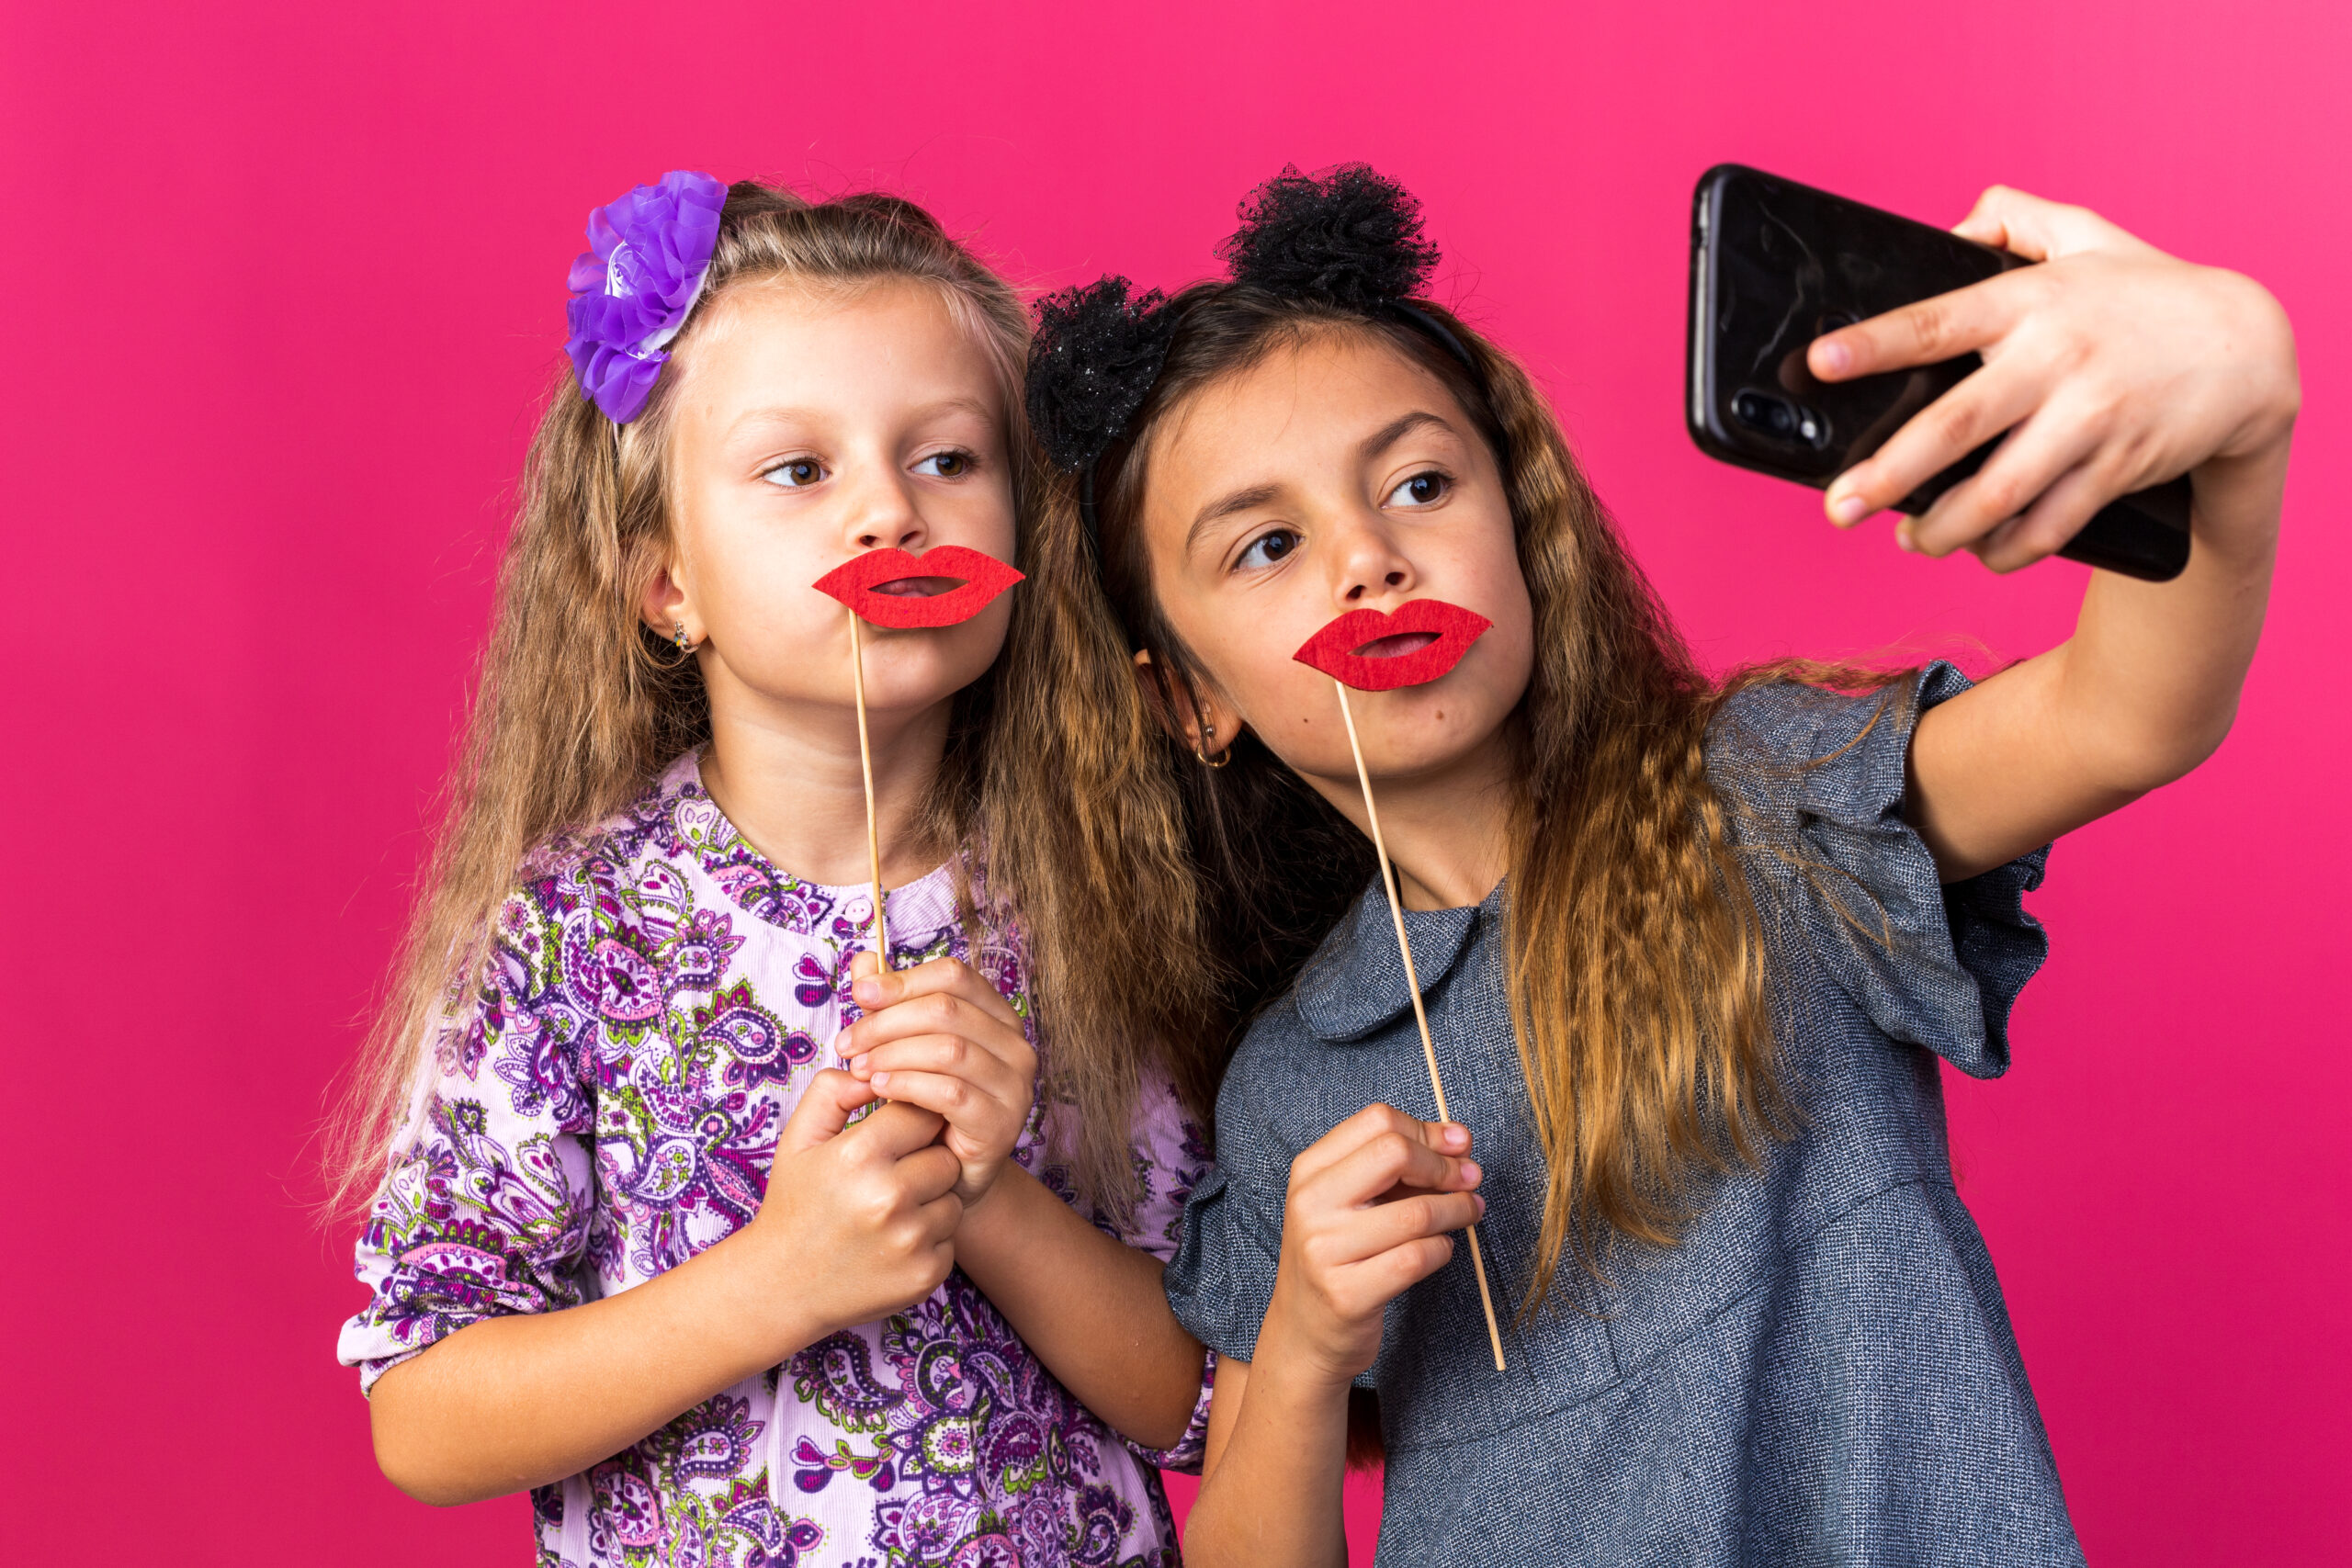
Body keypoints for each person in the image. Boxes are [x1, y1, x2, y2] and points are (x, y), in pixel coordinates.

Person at [1012, 165, 2299, 1565]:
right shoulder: (1293, 1089)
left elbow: (2128, 714)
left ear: (1520, 525)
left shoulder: (1758, 806)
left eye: (1421, 483)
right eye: (1268, 545)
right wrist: (1313, 1344)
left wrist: (2237, 414)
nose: (1369, 561)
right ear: (1185, 700)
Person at [331, 173, 1216, 1568]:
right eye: (800, 471)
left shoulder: (1094, 897)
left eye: (947, 459)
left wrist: (992, 1195)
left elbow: (1207, 1401)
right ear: (665, 582)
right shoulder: (574, 924)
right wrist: (781, 1278)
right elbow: (424, 1416)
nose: (889, 514)